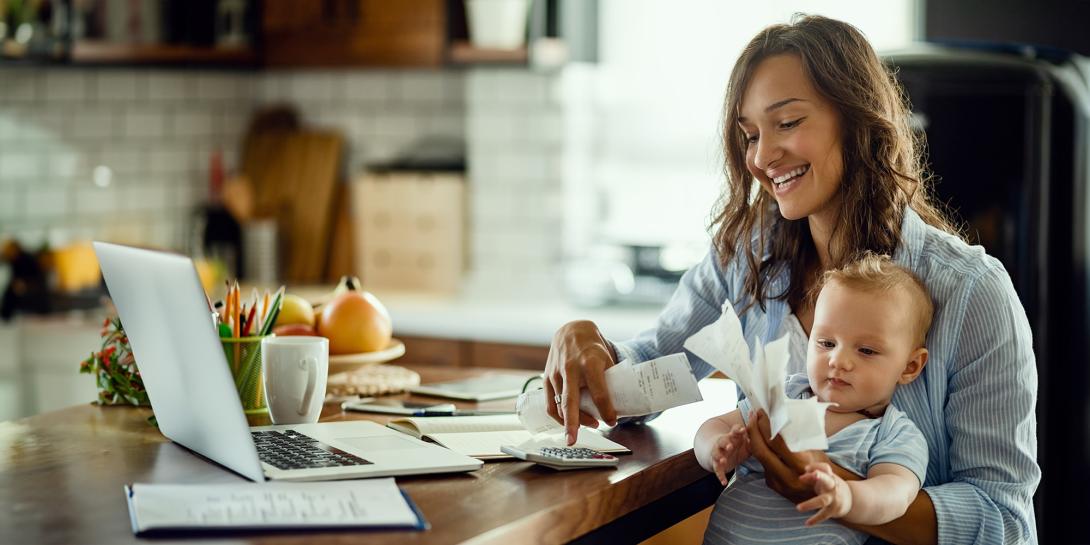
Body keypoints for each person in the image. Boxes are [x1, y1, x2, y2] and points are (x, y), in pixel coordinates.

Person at [542, 14, 1039, 545]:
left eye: (787, 123)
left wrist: (833, 488)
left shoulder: (971, 292)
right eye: (750, 134)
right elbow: (656, 373)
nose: (760, 156)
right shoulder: (746, 257)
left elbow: (1003, 522)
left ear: (856, 120)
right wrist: (591, 352)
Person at [697, 253, 931, 544]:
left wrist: (848, 496)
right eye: (827, 343)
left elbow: (897, 494)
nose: (838, 360)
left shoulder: (892, 433)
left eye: (867, 351)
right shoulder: (786, 395)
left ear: (910, 367)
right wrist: (716, 448)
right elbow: (714, 425)